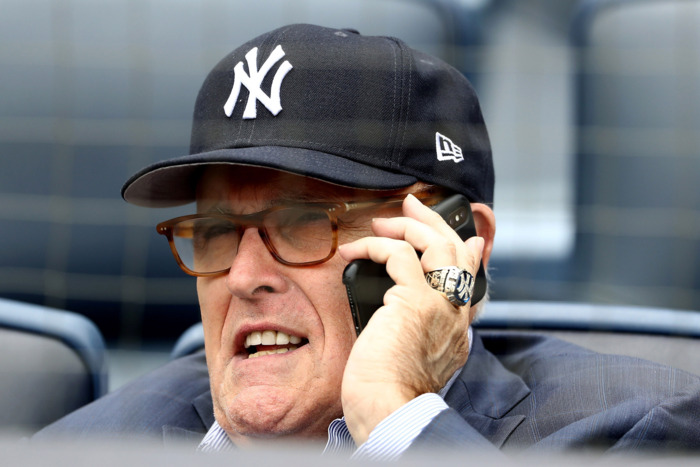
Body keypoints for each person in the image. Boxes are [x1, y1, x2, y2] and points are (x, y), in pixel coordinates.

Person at [34, 24, 700, 458]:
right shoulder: (89, 448)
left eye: (304, 222)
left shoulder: (634, 434)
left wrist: (396, 417)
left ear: (458, 244)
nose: (242, 276)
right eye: (214, 232)